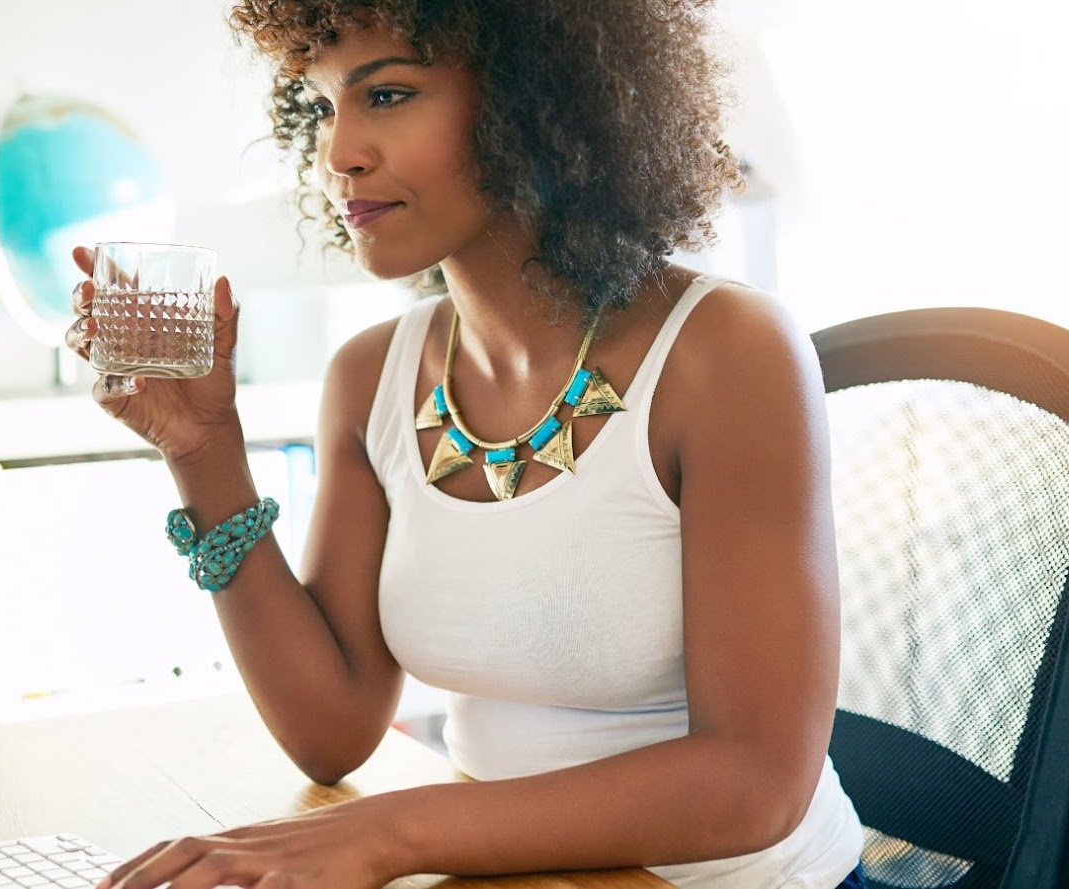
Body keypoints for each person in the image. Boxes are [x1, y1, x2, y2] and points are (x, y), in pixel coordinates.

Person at [68, 1, 867, 887]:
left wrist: (391, 833)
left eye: (390, 94)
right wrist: (204, 450)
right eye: (327, 106)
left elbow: (755, 783)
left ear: (539, 101)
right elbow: (331, 731)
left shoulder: (727, 352)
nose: (340, 153)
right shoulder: (373, 375)